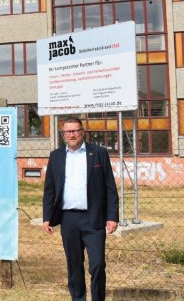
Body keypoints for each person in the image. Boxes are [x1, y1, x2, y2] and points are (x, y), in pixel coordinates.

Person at [42, 117, 119, 301]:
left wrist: (112, 216)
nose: (72, 135)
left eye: (75, 130)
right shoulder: (56, 156)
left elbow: (110, 186)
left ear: (82, 131)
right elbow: (50, 189)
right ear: (63, 134)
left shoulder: (98, 153)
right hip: (69, 219)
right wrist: (47, 217)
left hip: (93, 218)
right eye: (68, 132)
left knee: (98, 264)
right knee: (74, 265)